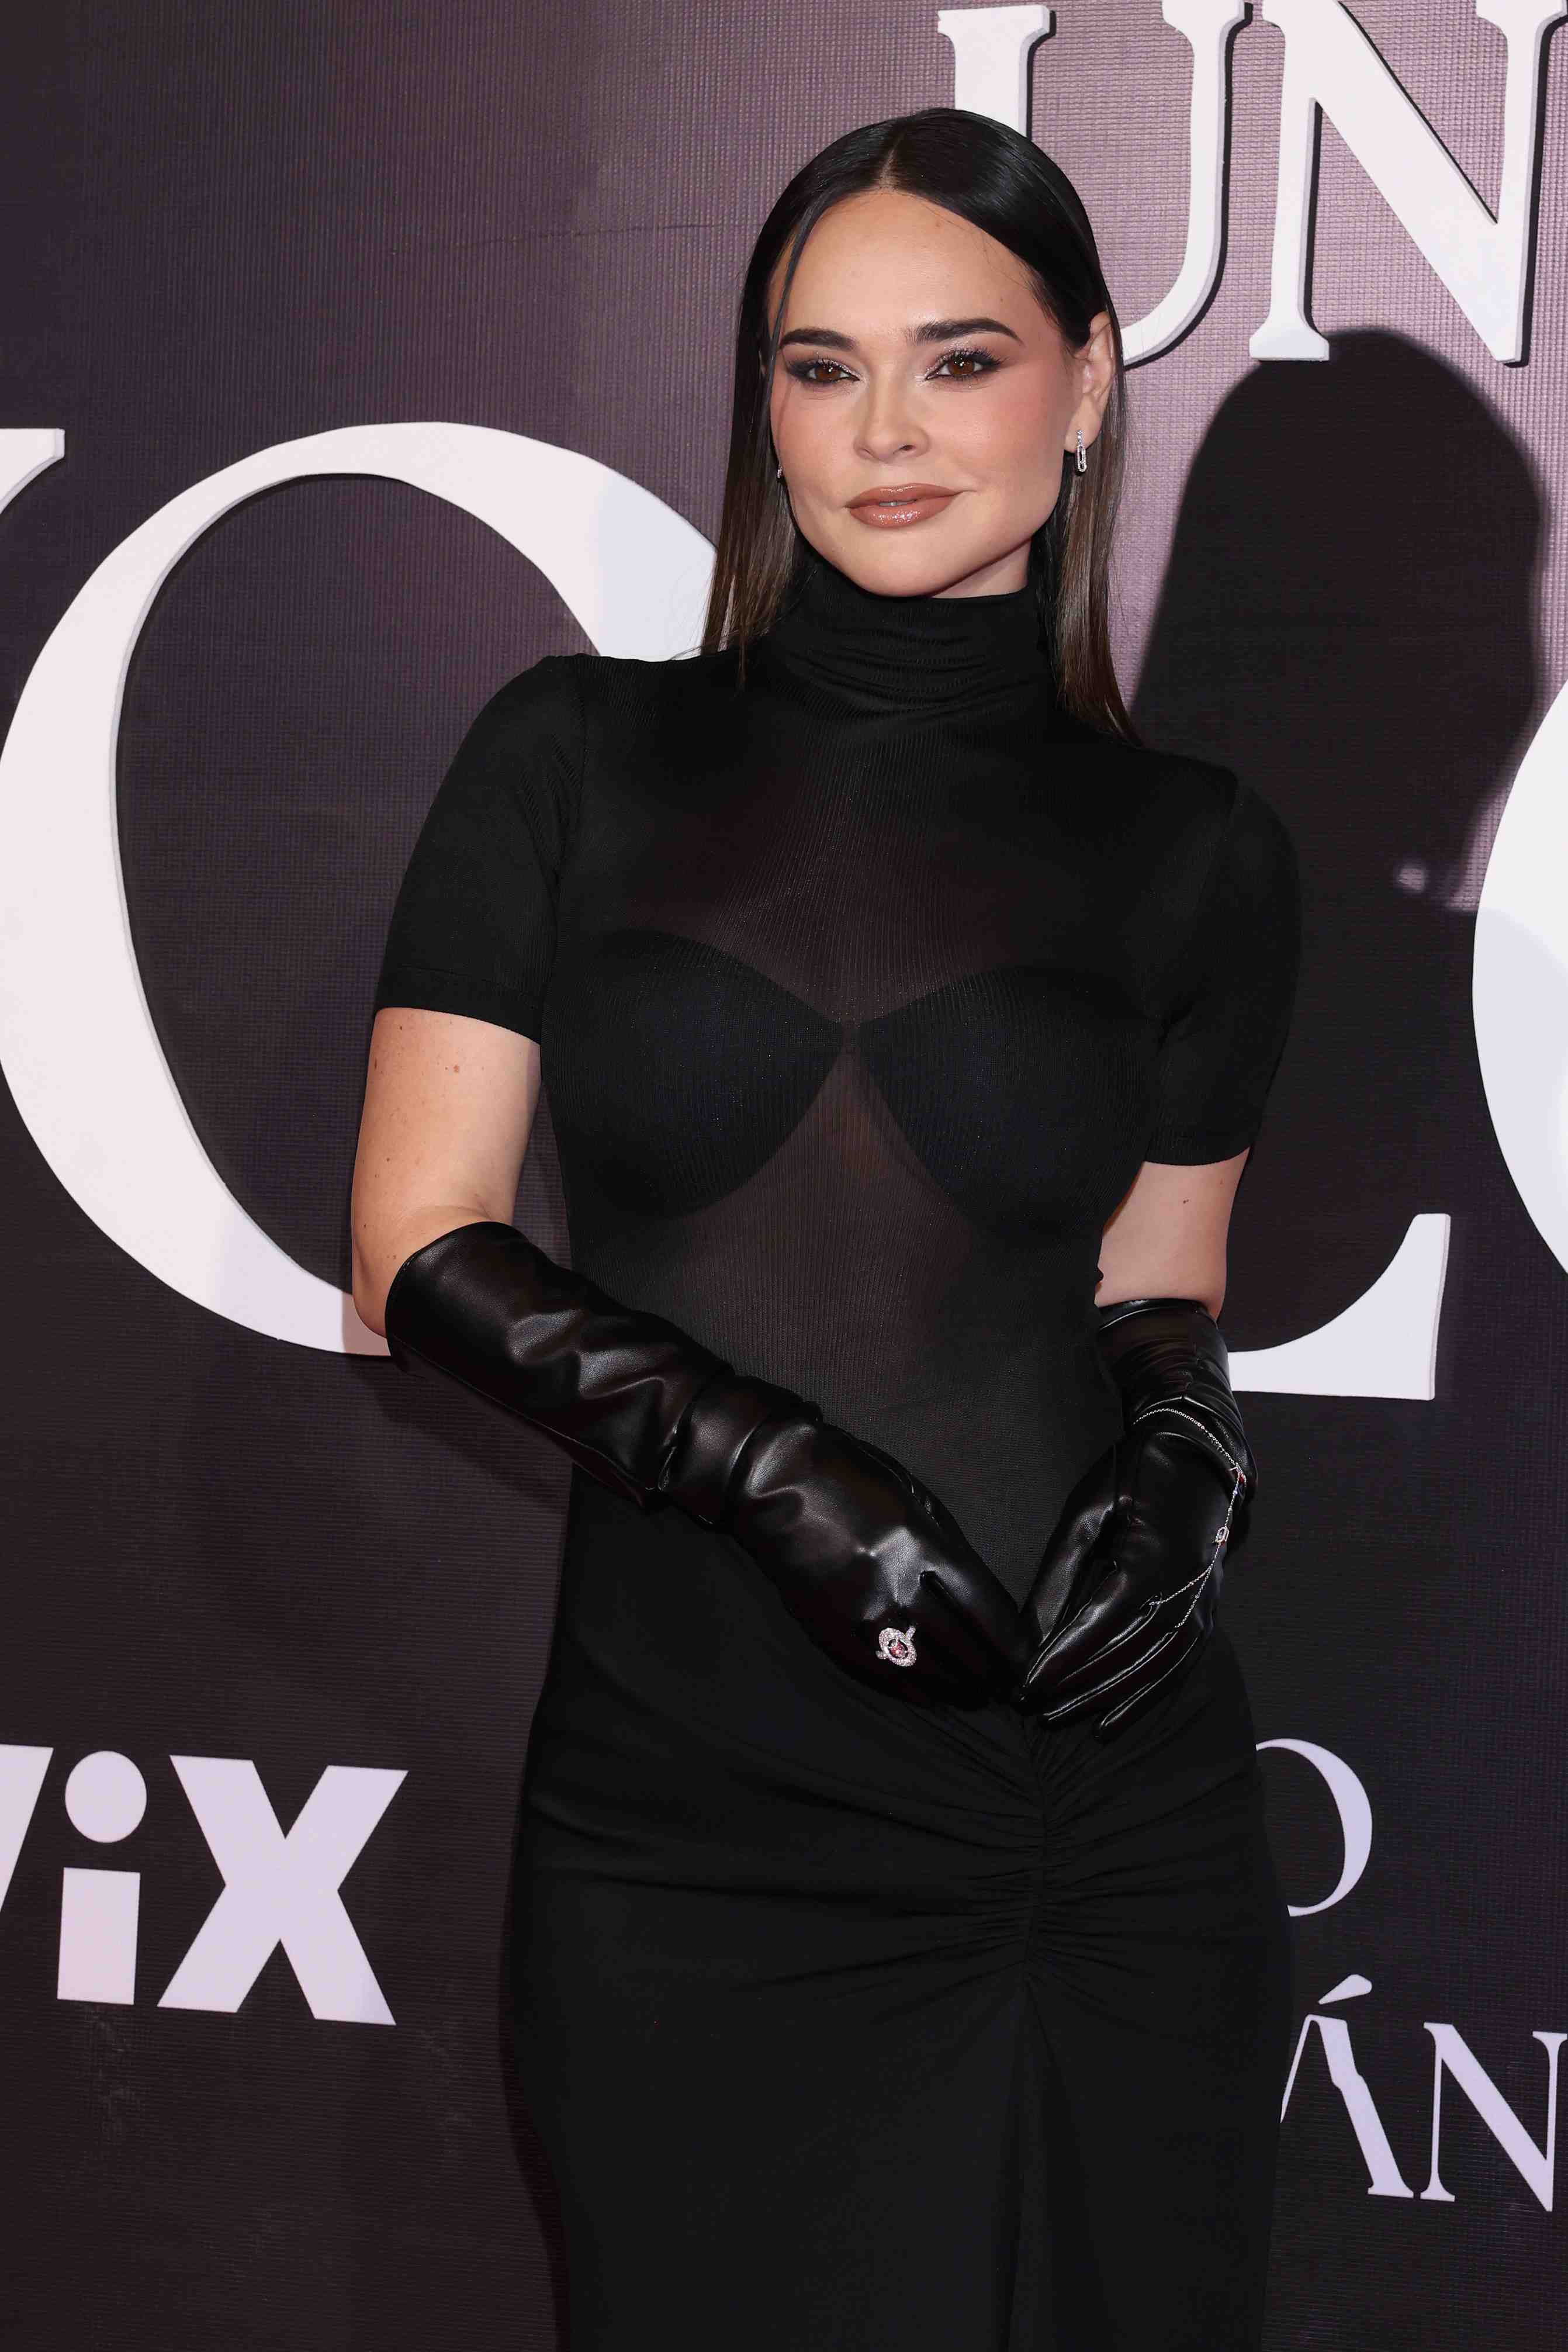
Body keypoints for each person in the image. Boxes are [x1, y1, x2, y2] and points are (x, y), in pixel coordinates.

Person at [351, 105, 1302, 2352]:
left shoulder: (1197, 847)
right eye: (817, 366)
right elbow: (414, 1250)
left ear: (1085, 380)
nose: (881, 431)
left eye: (957, 361)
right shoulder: (570, 753)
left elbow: (1157, 1282)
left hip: (1087, 1819)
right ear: (762, 406)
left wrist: (1187, 1467)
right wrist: (780, 1479)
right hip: (696, 1817)